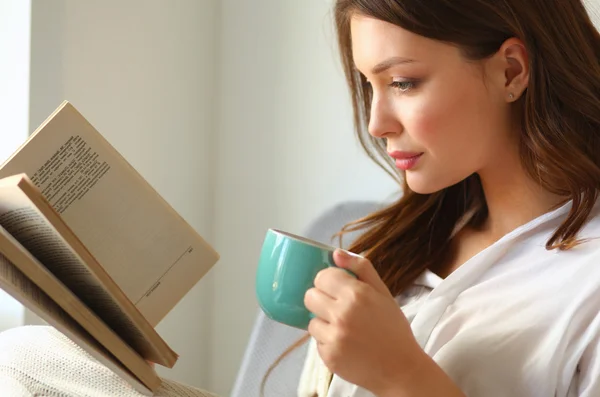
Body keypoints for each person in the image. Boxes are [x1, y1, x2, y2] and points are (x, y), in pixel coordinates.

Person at [295, 0, 600, 396]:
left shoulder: (586, 286)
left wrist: (401, 375)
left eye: (402, 82)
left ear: (511, 71)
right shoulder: (396, 245)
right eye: (368, 84)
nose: (376, 123)